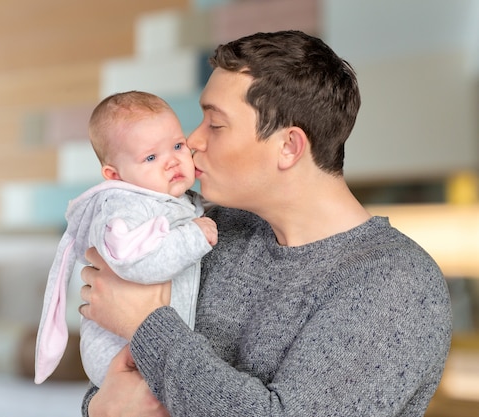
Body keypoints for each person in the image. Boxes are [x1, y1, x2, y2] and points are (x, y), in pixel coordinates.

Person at [78, 31, 452, 416]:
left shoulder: (395, 284)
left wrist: (145, 325)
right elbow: (118, 388)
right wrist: (97, 409)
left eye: (215, 124)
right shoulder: (213, 229)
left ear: (288, 147)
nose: (192, 141)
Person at [34, 91, 218, 387]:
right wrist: (193, 237)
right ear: (115, 175)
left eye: (177, 145)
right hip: (117, 348)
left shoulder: (171, 198)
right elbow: (135, 263)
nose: (172, 161)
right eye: (150, 157)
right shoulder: (122, 209)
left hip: (157, 345)